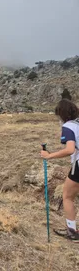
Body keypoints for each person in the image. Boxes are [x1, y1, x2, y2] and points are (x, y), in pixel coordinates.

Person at [41, 99, 79, 241]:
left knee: (68, 196)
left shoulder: (69, 126)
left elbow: (69, 149)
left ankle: (72, 232)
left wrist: (49, 156)